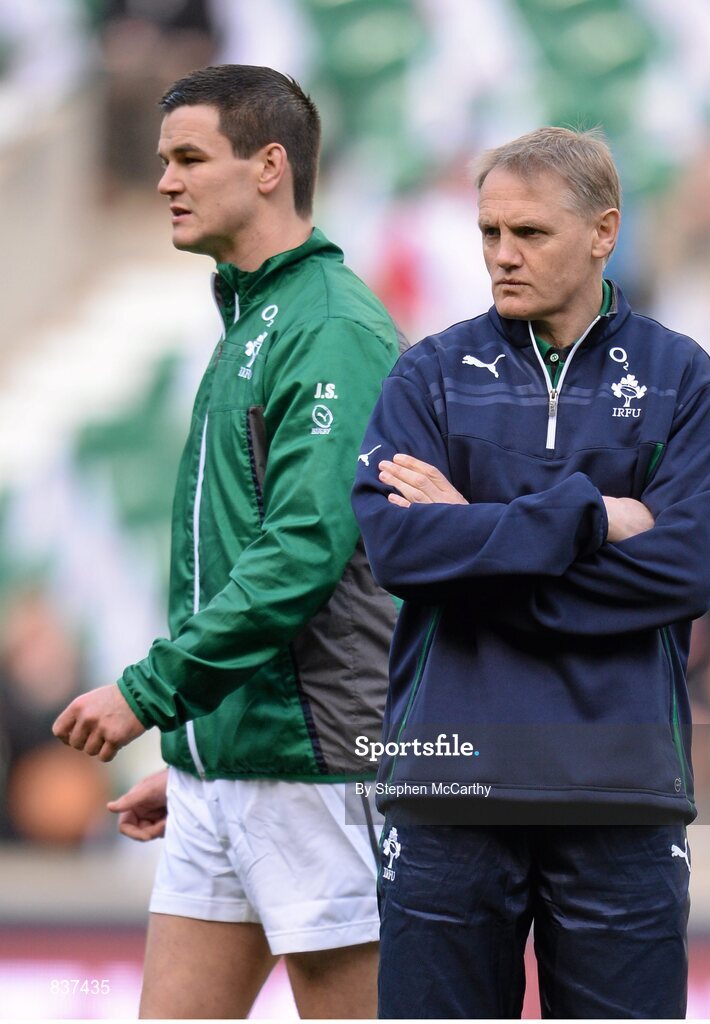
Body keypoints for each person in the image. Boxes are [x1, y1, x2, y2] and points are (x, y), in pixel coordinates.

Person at [352, 127, 710, 1019]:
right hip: (447, 781)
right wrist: (589, 516)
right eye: (488, 232)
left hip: (618, 786)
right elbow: (397, 552)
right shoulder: (429, 376)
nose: (501, 255)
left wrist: (476, 548)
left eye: (527, 234)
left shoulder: (684, 381)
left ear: (603, 232)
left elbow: (682, 573)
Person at [53, 64, 400, 1019]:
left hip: (317, 764)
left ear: (269, 167)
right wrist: (204, 741)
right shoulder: (252, 321)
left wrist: (150, 695)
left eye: (189, 158)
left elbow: (303, 551)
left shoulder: (331, 326)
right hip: (230, 766)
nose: (165, 179)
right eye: (164, 160)